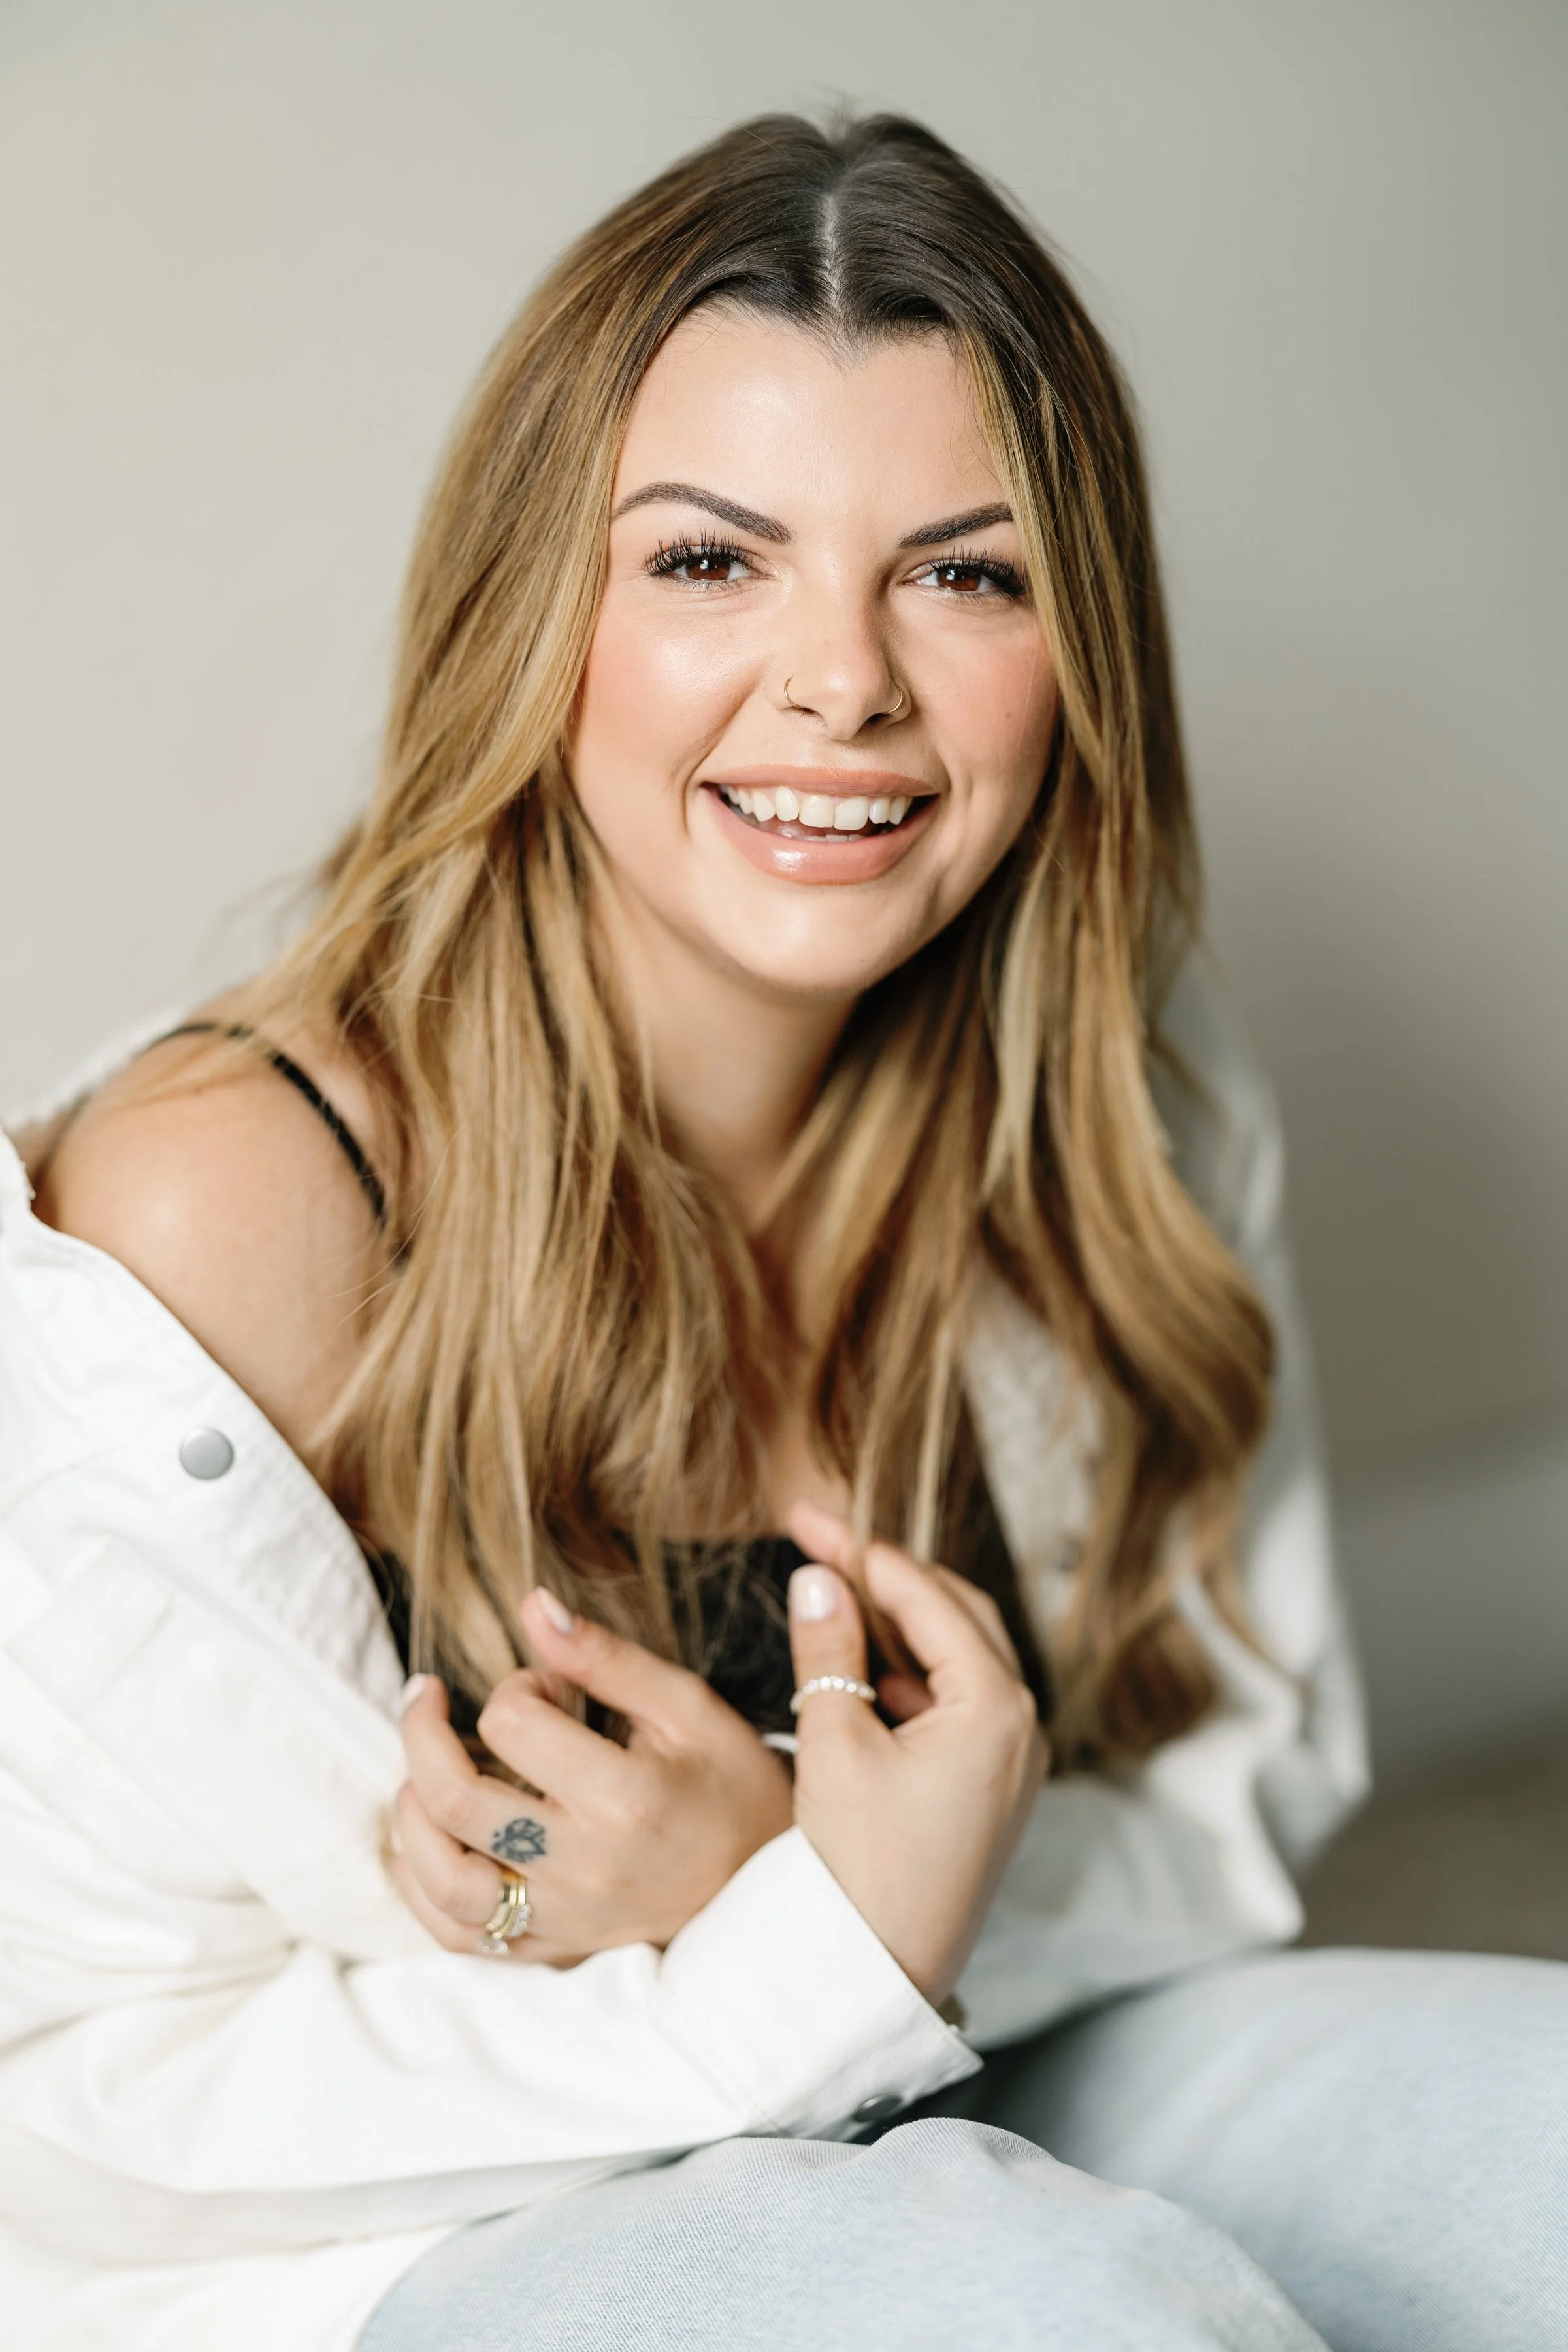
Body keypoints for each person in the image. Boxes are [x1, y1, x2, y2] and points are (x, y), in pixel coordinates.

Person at [2, 110, 1563, 2352]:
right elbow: (67, 2109)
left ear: (1078, 641)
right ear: (538, 612)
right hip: (377, 2243)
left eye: (965, 569)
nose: (846, 680)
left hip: (983, 2033)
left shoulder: (1124, 1086)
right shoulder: (225, 1209)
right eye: (713, 561)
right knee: (1050, 2313)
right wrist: (791, 1958)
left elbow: (1239, 1786)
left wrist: (822, 1909)